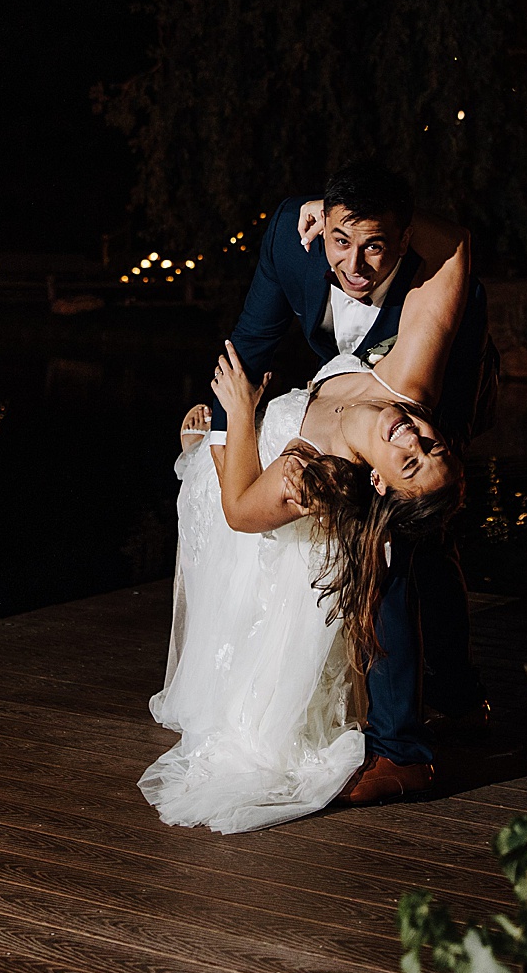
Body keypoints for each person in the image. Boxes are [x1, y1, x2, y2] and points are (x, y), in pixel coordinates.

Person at [138, 223, 473, 836]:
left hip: (251, 481)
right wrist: (366, 220)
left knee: (226, 510)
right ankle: (452, 698)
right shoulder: (406, 388)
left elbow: (242, 513)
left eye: (410, 462)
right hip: (261, 455)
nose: (416, 439)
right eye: (433, 445)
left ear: (380, 482)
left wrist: (236, 419)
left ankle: (405, 745)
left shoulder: (321, 476)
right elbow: (453, 244)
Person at [207, 161, 491, 804]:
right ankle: (456, 695)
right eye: (341, 242)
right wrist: (228, 432)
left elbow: (453, 246)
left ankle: (403, 752)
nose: (355, 266)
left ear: (403, 238)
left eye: (376, 246)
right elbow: (247, 349)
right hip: (338, 410)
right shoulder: (293, 232)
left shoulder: (411, 399)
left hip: (440, 389)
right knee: (420, 546)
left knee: (393, 553)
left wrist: (416, 457)